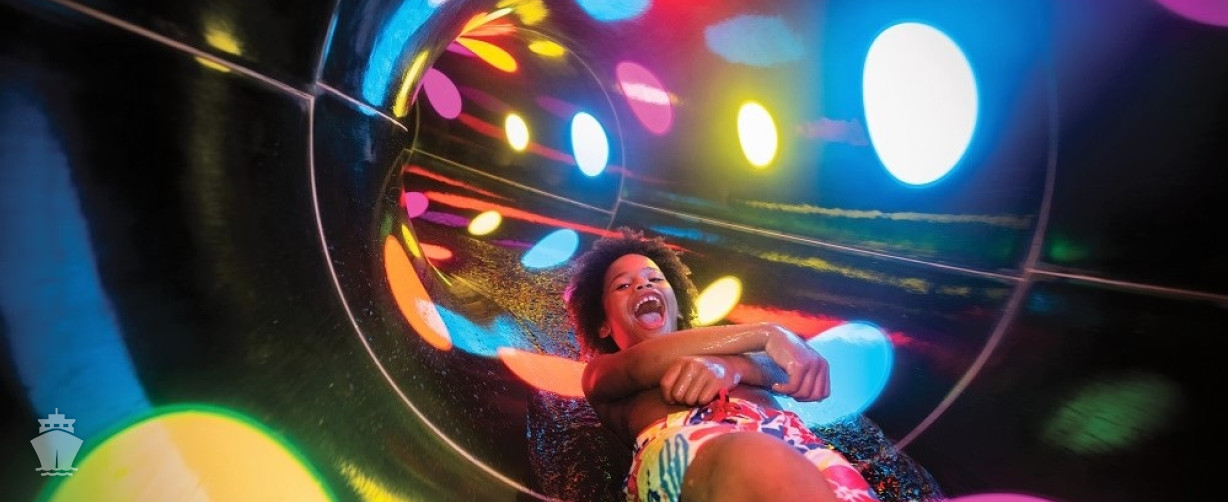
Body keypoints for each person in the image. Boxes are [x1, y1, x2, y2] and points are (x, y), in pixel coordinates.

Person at [565, 227, 880, 502]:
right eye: (623, 285)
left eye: (655, 278)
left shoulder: (734, 356)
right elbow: (645, 362)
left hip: (799, 445)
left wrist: (733, 369)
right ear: (603, 324)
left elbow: (787, 371)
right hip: (687, 455)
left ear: (677, 307)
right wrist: (768, 332)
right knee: (758, 458)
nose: (643, 286)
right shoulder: (601, 372)